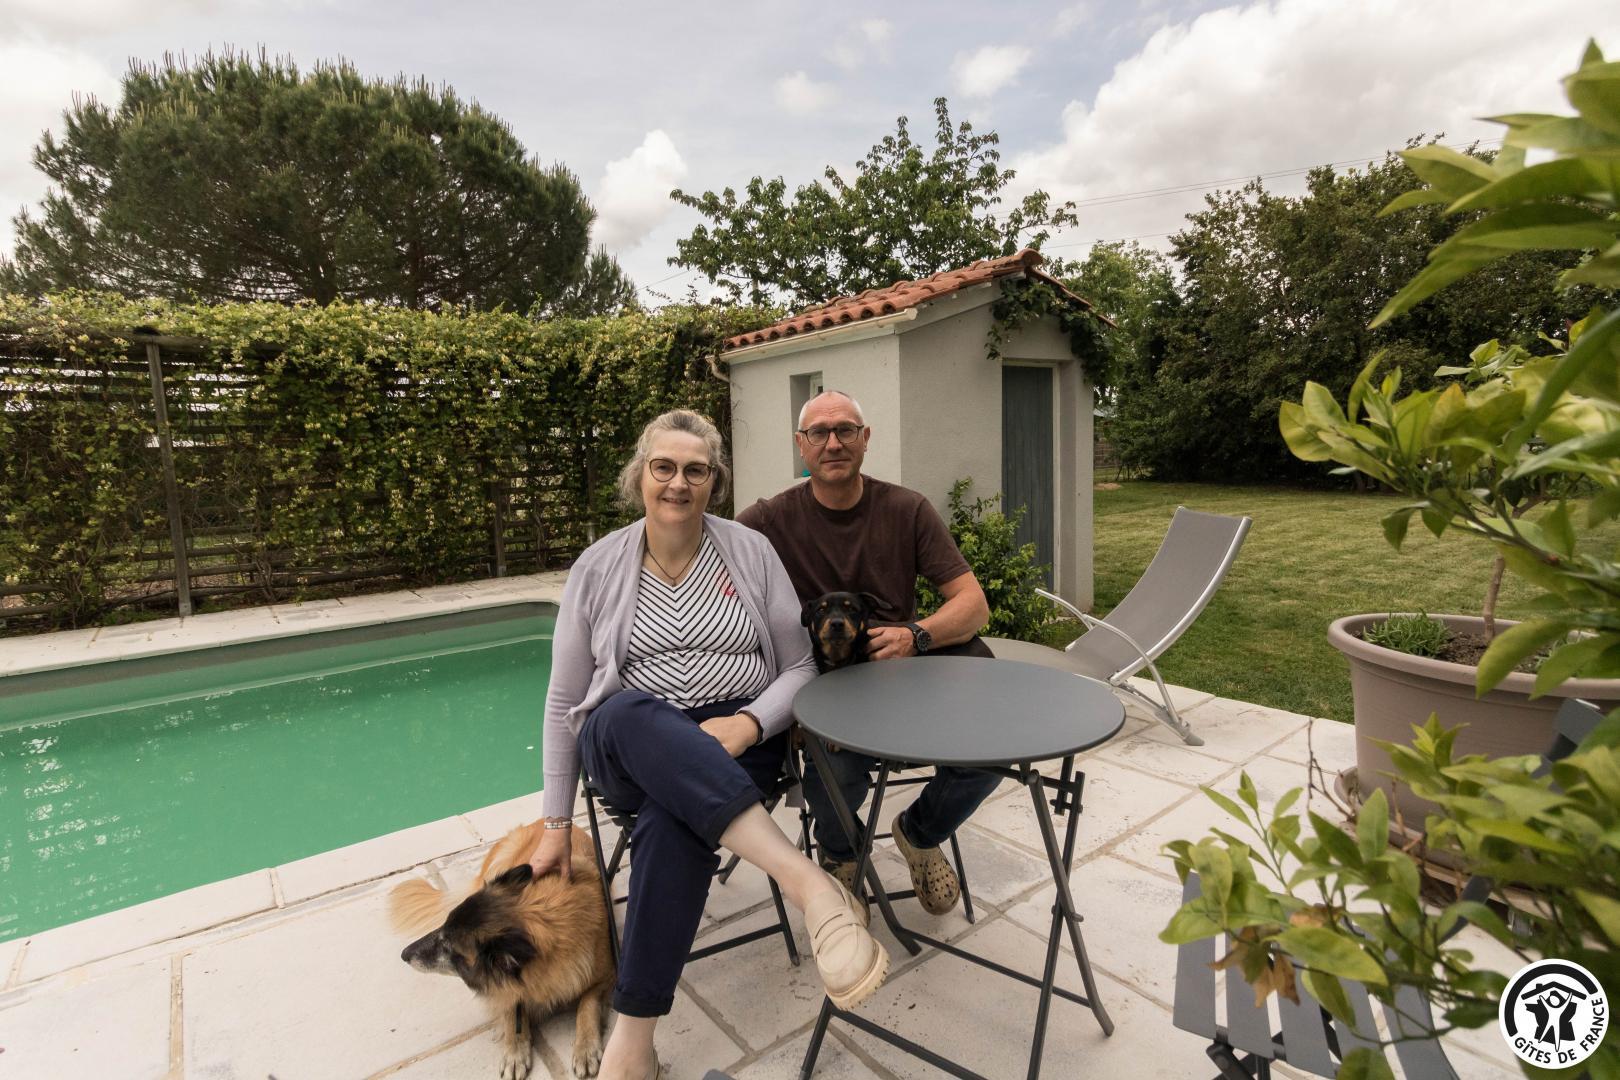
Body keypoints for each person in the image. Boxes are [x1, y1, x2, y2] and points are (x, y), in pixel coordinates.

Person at [530, 409, 887, 1080]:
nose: (678, 483)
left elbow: (799, 665)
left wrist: (749, 723)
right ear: (640, 475)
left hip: (739, 740)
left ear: (714, 482)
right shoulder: (596, 567)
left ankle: (631, 1049)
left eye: (695, 471)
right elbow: (563, 699)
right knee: (628, 711)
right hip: (628, 742)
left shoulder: (749, 551)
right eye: (663, 467)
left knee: (675, 820)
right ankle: (811, 886)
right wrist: (554, 823)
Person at [736, 390, 1002, 917]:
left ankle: (920, 834)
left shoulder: (906, 509)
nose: (833, 443)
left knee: (992, 750)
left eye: (846, 430)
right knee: (833, 773)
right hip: (826, 692)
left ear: (865, 439)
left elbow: (974, 607)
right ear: (801, 445)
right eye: (819, 432)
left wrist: (915, 635)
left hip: (901, 685)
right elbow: (702, 547)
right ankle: (842, 854)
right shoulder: (770, 519)